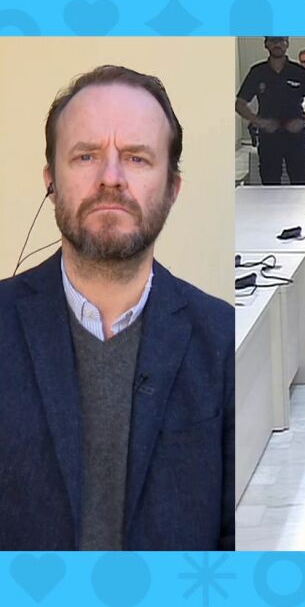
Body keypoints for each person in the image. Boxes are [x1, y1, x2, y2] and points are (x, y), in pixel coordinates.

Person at [0, 65, 234, 550]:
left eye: (136, 158)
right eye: (86, 155)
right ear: (51, 181)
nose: (111, 179)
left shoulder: (223, 339)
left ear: (172, 188)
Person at [235, 36, 305, 185]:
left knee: (300, 183)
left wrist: (303, 118)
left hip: (296, 137)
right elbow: (240, 104)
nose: (277, 44)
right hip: (269, 136)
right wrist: (259, 122)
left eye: (281, 40)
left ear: (287, 44)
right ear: (266, 44)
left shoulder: (299, 72)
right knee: (269, 183)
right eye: (273, 41)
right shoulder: (257, 72)